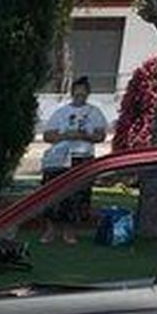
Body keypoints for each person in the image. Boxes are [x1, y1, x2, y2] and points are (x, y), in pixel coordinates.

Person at [39, 76, 107, 243]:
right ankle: (50, 230)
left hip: (82, 158)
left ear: (88, 93)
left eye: (83, 94)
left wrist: (86, 136)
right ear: (72, 93)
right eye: (77, 94)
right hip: (61, 158)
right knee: (54, 194)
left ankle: (70, 232)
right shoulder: (61, 112)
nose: (80, 97)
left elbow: (100, 136)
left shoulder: (95, 113)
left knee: (78, 196)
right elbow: (47, 135)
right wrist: (65, 135)